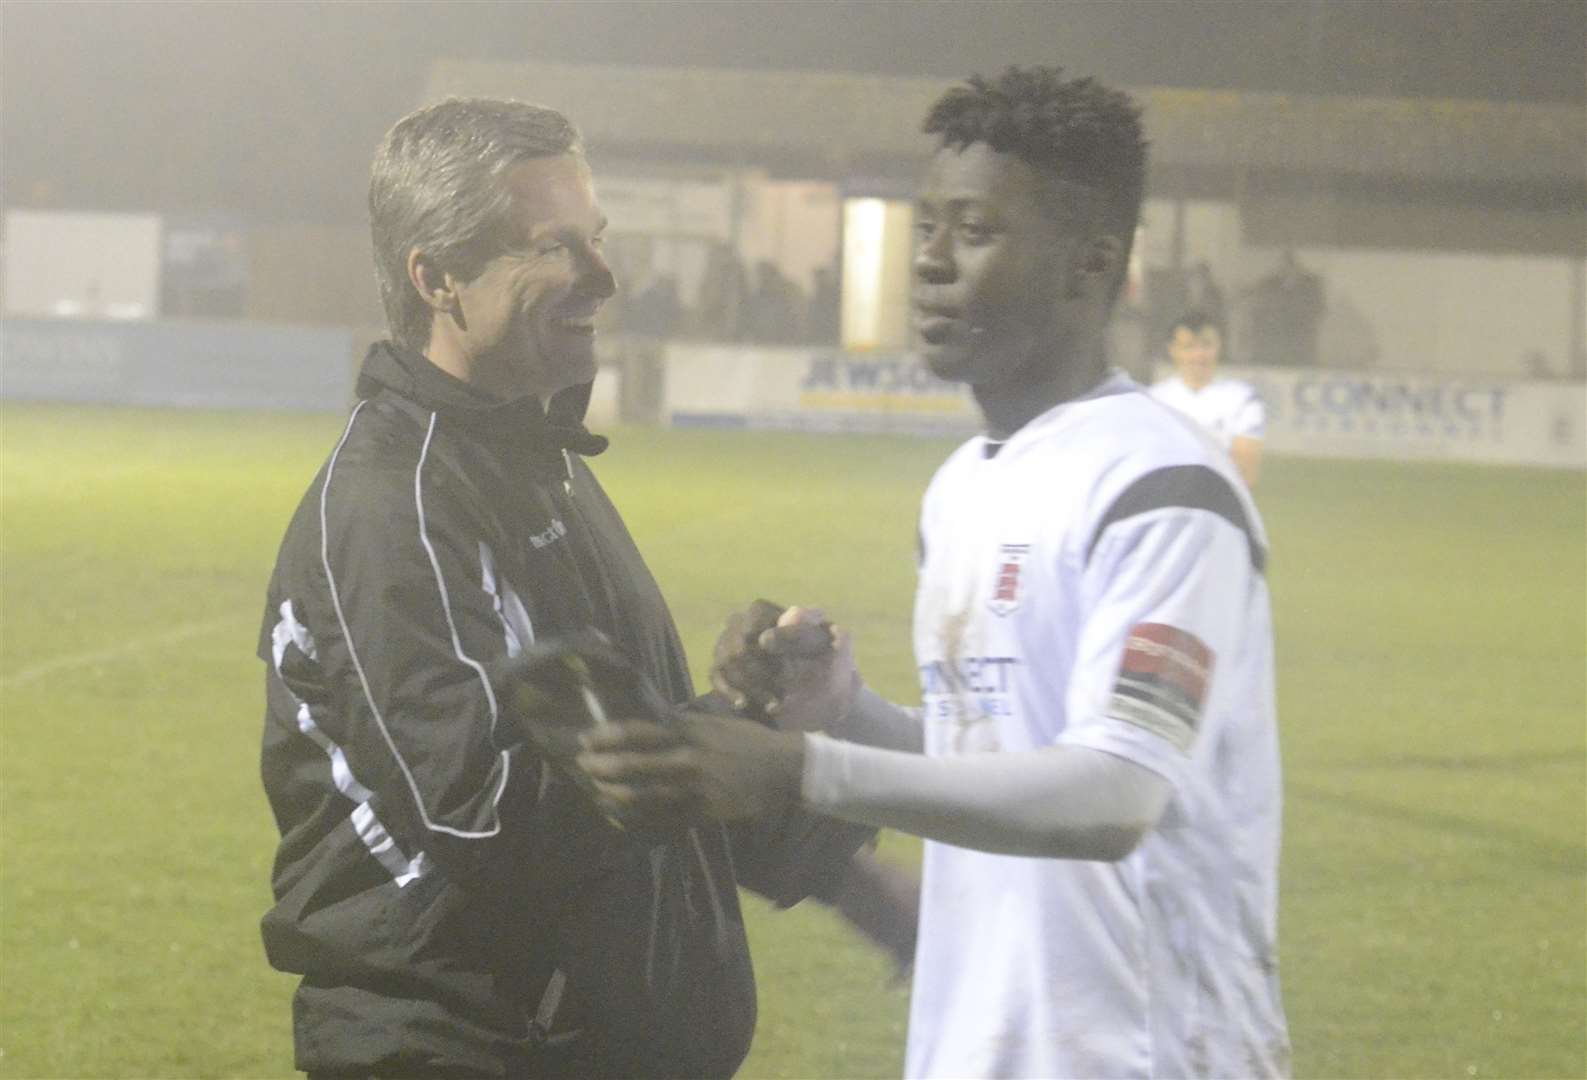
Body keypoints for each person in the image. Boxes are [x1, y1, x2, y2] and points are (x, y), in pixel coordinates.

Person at [572, 68, 1291, 1079]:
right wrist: (842, 709)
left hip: (1146, 1052)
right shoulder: (962, 489)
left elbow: (1119, 792)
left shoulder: (1161, 486)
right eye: (926, 229)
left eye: (976, 230)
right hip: (981, 1044)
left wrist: (803, 772)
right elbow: (996, 758)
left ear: (1093, 260)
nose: (932, 264)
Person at [257, 98, 907, 1079]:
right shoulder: (400, 508)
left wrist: (775, 749)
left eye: (596, 239)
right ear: (436, 278)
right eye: (552, 248)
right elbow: (495, 826)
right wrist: (738, 736)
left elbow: (610, 763)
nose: (604, 276)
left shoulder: (534, 455)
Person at [1151, 310, 1266, 487]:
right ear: (1173, 350)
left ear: (1219, 346)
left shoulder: (1243, 399)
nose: (1199, 355)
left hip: (1220, 507)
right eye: (1189, 347)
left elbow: (1245, 474)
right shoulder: (1153, 400)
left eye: (1206, 345)